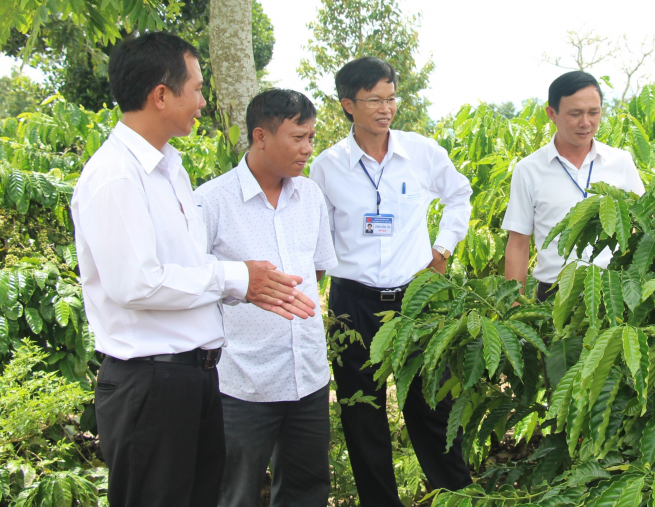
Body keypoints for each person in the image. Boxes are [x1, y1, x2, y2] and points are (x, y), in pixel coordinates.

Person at [72, 33, 316, 507]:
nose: (204, 101)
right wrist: (234, 278)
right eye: (198, 89)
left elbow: (186, 267)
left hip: (196, 377)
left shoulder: (170, 169)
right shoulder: (117, 176)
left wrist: (246, 285)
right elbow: (136, 283)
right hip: (151, 384)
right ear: (161, 95)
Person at [309, 56, 473, 507]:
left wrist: (442, 250)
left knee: (431, 404)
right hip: (352, 301)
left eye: (391, 98)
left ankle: (456, 495)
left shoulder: (421, 152)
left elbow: (460, 194)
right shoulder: (327, 166)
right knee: (362, 411)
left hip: (416, 298)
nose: (385, 109)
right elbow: (318, 233)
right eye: (373, 100)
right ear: (348, 104)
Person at [194, 89, 337, 507]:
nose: (308, 148)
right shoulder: (211, 201)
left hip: (307, 376)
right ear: (260, 136)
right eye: (298, 138)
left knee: (306, 491)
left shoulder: (310, 197)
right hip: (242, 383)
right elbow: (195, 281)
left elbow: (318, 270)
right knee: (235, 492)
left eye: (311, 137)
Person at [502, 71, 645, 302]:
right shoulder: (528, 170)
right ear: (552, 113)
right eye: (575, 114)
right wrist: (514, 304)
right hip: (554, 294)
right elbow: (518, 243)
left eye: (594, 113)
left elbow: (642, 225)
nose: (586, 123)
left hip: (614, 290)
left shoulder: (621, 162)